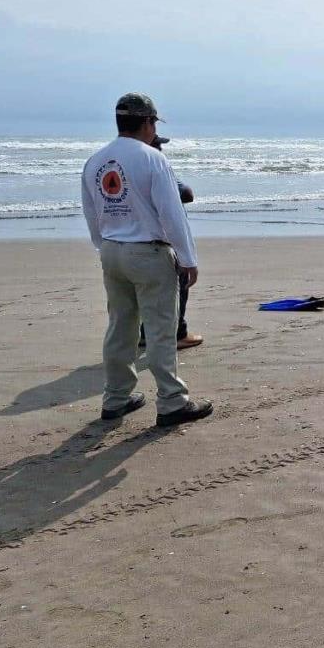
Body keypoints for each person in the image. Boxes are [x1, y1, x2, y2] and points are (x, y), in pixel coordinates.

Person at [81, 93, 213, 427]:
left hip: (112, 250)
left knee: (120, 328)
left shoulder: (96, 161)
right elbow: (171, 213)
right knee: (160, 329)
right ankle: (171, 401)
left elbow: (92, 213)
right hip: (149, 251)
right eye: (153, 122)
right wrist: (187, 258)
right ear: (147, 122)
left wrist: (104, 246)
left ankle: (117, 398)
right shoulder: (152, 159)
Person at [139, 135, 203, 350]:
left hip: (132, 241)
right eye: (157, 144)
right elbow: (186, 193)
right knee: (178, 286)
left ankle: (144, 333)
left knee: (144, 291)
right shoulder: (157, 166)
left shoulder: (128, 166)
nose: (160, 149)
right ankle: (178, 333)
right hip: (162, 239)